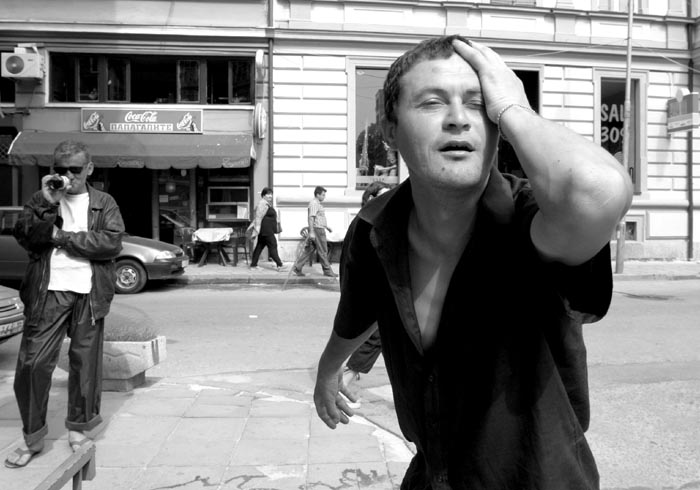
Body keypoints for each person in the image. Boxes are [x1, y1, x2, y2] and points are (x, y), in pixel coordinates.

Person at [313, 35, 633, 489]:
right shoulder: (374, 229)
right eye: (431, 102)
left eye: (479, 106)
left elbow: (598, 190)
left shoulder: (531, 222)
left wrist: (514, 108)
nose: (459, 119)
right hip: (431, 476)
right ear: (389, 128)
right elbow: (357, 315)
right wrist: (329, 371)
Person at [6, 140, 124, 468]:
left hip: (89, 293)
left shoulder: (104, 202)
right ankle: (33, 437)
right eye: (61, 168)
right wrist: (47, 203)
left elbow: (111, 243)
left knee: (84, 366)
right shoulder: (41, 199)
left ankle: (78, 429)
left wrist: (62, 238)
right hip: (48, 292)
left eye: (75, 169)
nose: (68, 175)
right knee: (32, 365)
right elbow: (25, 236)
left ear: (89, 168)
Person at [342, 181, 391, 388]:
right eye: (384, 196)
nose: (390, 200)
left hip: (362, 291)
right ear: (371, 198)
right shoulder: (370, 223)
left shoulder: (363, 219)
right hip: (369, 292)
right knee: (378, 334)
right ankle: (346, 377)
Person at [292, 186, 337, 278]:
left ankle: (297, 268)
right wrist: (312, 231)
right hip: (317, 230)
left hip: (319, 228)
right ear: (317, 194)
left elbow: (318, 217)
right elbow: (311, 218)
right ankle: (327, 270)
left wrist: (326, 226)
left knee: (309, 249)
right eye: (323, 195)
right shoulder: (314, 203)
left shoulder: (317, 203)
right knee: (323, 250)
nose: (324, 197)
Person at [249, 187, 285, 271]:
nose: (270, 196)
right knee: (273, 245)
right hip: (266, 230)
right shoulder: (262, 203)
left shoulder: (266, 204)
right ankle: (280, 265)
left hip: (265, 230)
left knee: (259, 247)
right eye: (268, 194)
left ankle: (253, 265)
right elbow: (258, 216)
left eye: (271, 194)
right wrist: (257, 229)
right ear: (263, 195)